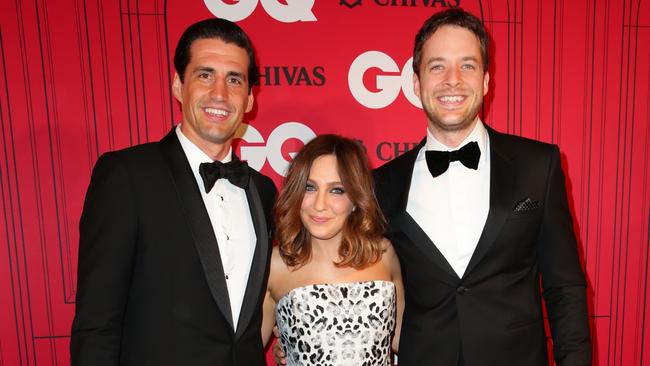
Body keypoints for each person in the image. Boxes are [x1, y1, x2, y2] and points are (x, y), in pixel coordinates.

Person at [372, 8, 592, 366]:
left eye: (467, 65)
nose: (453, 80)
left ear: (486, 81)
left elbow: (564, 287)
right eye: (437, 66)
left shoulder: (539, 165)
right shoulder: (382, 183)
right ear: (416, 83)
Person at [70, 18, 276, 366]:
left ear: (250, 98)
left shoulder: (263, 190)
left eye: (234, 79)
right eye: (205, 74)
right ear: (178, 86)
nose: (220, 94)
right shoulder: (127, 176)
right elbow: (97, 324)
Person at [262, 134, 404, 365]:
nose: (320, 205)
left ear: (356, 199)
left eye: (336, 190)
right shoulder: (275, 265)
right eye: (309, 188)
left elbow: (405, 341)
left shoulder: (382, 254)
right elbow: (241, 351)